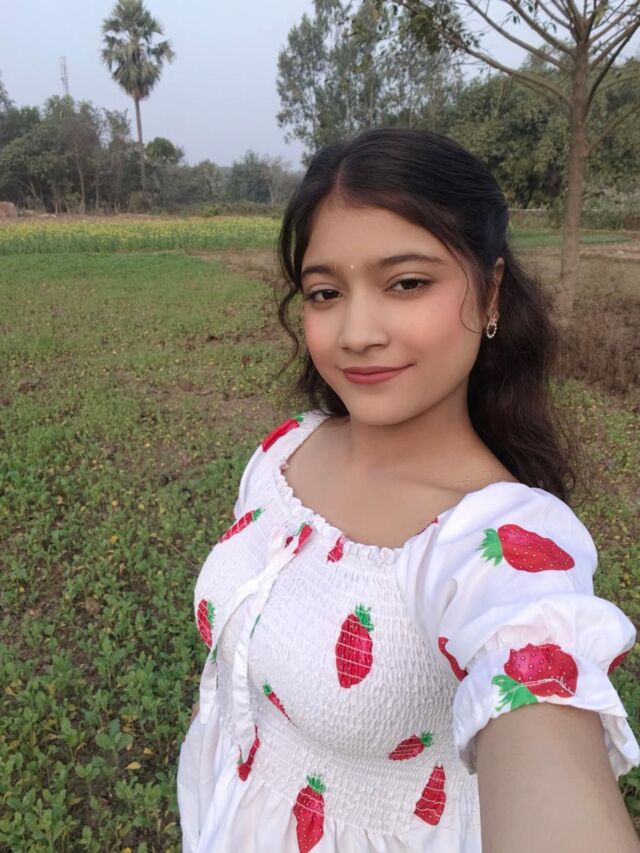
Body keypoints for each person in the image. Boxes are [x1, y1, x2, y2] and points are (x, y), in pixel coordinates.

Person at [176, 128, 640, 852]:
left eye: (407, 283)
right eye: (326, 292)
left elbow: (535, 692)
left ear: (490, 291)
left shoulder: (496, 543)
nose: (357, 332)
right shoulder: (284, 451)